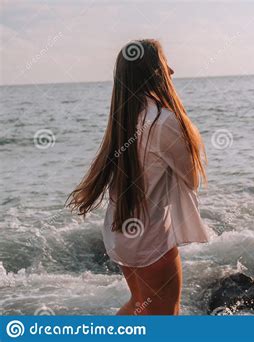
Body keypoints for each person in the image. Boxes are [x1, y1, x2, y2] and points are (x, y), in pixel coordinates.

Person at [66, 39, 209, 315]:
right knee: (167, 313)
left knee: (138, 305)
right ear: (153, 71)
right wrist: (186, 126)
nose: (172, 70)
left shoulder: (126, 116)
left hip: (122, 231)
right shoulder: (165, 120)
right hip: (150, 237)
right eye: (165, 63)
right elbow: (191, 180)